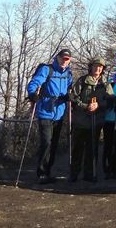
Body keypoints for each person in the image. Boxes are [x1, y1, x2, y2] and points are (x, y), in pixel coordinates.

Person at [27, 48, 73, 184]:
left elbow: (70, 87)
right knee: (46, 142)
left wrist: (69, 96)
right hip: (45, 110)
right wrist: (32, 94)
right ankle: (41, 173)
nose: (64, 61)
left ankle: (48, 172)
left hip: (60, 111)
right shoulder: (47, 70)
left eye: (67, 59)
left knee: (53, 144)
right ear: (57, 57)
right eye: (62, 58)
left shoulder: (69, 73)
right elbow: (35, 82)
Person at [69, 57, 108, 182]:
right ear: (91, 67)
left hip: (96, 122)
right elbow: (73, 98)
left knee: (92, 149)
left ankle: (89, 174)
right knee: (77, 149)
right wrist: (86, 106)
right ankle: (74, 174)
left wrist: (99, 105)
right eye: (96, 66)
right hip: (80, 121)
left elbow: (109, 100)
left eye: (100, 67)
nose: (98, 69)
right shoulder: (82, 81)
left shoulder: (105, 83)